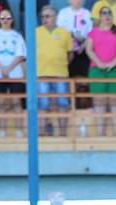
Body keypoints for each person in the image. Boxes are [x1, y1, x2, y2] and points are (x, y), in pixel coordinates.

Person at [0, 8, 26, 138]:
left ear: (12, 20)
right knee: (1, 103)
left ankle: (19, 130)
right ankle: (2, 130)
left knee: (16, 102)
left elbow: (20, 55)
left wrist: (8, 68)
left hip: (15, 74)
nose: (5, 20)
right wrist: (2, 68)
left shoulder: (17, 36)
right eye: (2, 18)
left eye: (8, 18)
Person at [86, 5, 116, 137]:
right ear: (99, 16)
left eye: (109, 13)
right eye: (104, 13)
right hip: (97, 70)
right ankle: (100, 135)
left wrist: (113, 62)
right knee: (99, 102)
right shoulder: (93, 32)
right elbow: (89, 50)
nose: (107, 15)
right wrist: (99, 63)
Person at [36, 6, 73, 137]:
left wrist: (60, 64)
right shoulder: (35, 32)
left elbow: (70, 54)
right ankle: (41, 133)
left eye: (48, 16)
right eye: (43, 16)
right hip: (41, 74)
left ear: (56, 17)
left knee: (63, 103)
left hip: (60, 74)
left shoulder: (65, 33)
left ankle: (63, 133)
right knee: (42, 104)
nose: (45, 19)